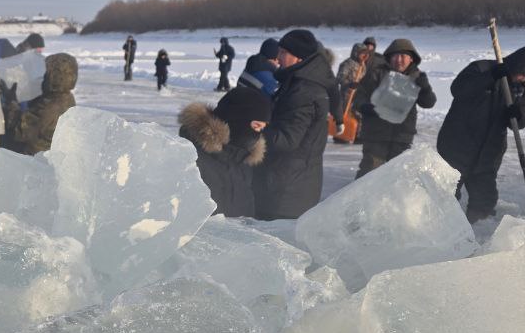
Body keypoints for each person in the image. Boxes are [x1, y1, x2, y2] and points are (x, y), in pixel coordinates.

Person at [437, 45, 525, 222]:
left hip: (489, 151)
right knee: (445, 193)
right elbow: (458, 89)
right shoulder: (483, 68)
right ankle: (439, 232)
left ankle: (474, 233)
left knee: (484, 199)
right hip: (457, 145)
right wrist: (491, 77)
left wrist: (517, 115)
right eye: (522, 72)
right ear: (515, 64)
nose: (523, 77)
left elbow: (521, 124)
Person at [252, 29, 338, 219]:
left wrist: (262, 130)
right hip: (288, 180)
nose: (278, 56)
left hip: (288, 188)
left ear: (299, 58)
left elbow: (289, 140)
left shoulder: (304, 91)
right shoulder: (298, 83)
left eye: (283, 52)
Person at [177, 88, 272, 217]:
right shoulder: (191, 156)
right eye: (256, 126)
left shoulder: (243, 160)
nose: (258, 134)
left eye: (262, 128)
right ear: (236, 119)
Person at [352, 38, 436, 177]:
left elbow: (428, 103)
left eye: (403, 56)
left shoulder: (416, 77)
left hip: (402, 136)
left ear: (411, 59)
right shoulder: (376, 73)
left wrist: (425, 88)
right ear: (389, 58)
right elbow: (359, 97)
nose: (399, 60)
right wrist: (365, 107)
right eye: (395, 56)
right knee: (369, 174)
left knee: (396, 176)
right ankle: (361, 199)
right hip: (376, 134)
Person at [1, 52, 78, 155]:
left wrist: (11, 104)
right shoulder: (63, 97)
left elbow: (20, 130)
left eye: (46, 73)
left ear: (54, 76)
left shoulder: (53, 106)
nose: (43, 76)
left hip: (34, 158)